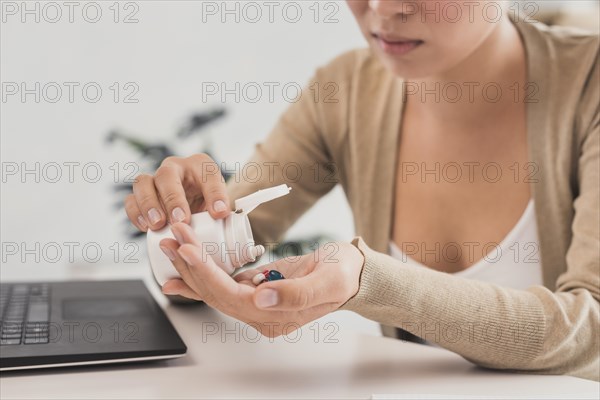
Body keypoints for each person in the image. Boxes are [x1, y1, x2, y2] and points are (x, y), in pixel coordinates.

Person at [125, 1, 599, 380]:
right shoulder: (345, 91)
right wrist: (185, 230)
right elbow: (199, 270)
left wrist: (369, 281)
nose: (382, 8)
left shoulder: (588, 85)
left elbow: (590, 328)